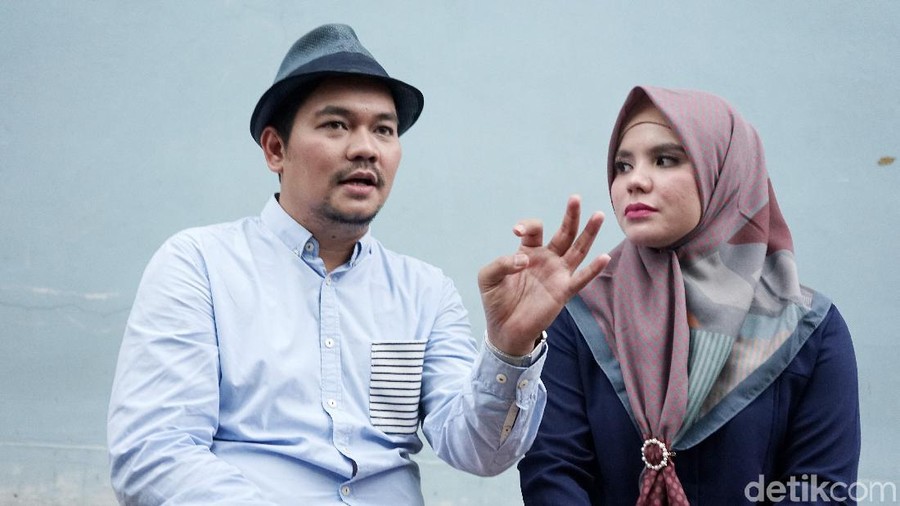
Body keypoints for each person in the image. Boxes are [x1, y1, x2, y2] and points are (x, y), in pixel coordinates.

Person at [107, 24, 610, 505]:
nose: (366, 148)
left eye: (384, 130)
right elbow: (155, 453)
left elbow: (480, 453)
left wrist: (509, 350)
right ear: (276, 149)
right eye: (336, 125)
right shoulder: (199, 266)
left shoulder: (424, 292)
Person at [519, 86, 860, 505]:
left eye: (665, 160)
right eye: (623, 166)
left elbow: (820, 489)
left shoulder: (806, 328)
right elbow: (553, 470)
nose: (635, 181)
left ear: (725, 172)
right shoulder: (581, 314)